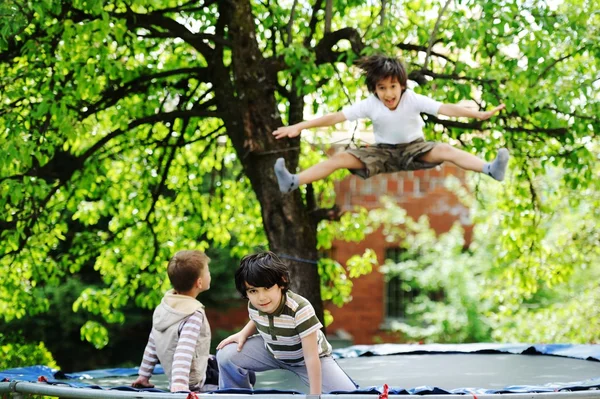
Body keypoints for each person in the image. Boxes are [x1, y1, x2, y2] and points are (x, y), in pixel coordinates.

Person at [272, 54, 509, 193]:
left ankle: (490, 169)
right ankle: (293, 181)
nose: (388, 94)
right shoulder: (370, 104)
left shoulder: (412, 98)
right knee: (339, 159)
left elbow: (445, 108)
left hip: (415, 148)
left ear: (402, 86)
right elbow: (335, 117)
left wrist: (478, 115)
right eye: (382, 88)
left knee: (445, 150)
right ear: (375, 89)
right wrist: (300, 126)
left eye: (392, 87)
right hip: (382, 152)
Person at [216, 251, 357, 394]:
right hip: (272, 352)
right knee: (225, 355)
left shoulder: (300, 309)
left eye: (267, 288)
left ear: (281, 283)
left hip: (307, 358)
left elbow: (311, 356)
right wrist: (243, 334)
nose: (261, 297)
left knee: (348, 395)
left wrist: (315, 396)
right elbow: (256, 318)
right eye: (253, 291)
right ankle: (236, 396)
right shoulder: (254, 304)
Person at [131, 250, 214, 392]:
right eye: (208, 272)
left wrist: (143, 376)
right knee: (236, 366)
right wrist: (180, 384)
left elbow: (153, 343)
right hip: (192, 382)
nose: (210, 275)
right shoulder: (193, 313)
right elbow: (184, 349)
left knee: (214, 359)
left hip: (176, 377)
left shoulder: (164, 307)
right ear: (199, 283)